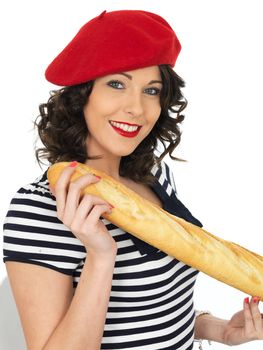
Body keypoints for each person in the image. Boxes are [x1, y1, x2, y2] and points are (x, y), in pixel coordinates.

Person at [2, 9, 263, 350]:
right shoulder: (39, 209)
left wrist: (218, 330)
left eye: (151, 90)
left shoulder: (155, 175)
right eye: (117, 84)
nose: (137, 108)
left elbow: (152, 308)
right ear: (83, 94)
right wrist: (100, 255)